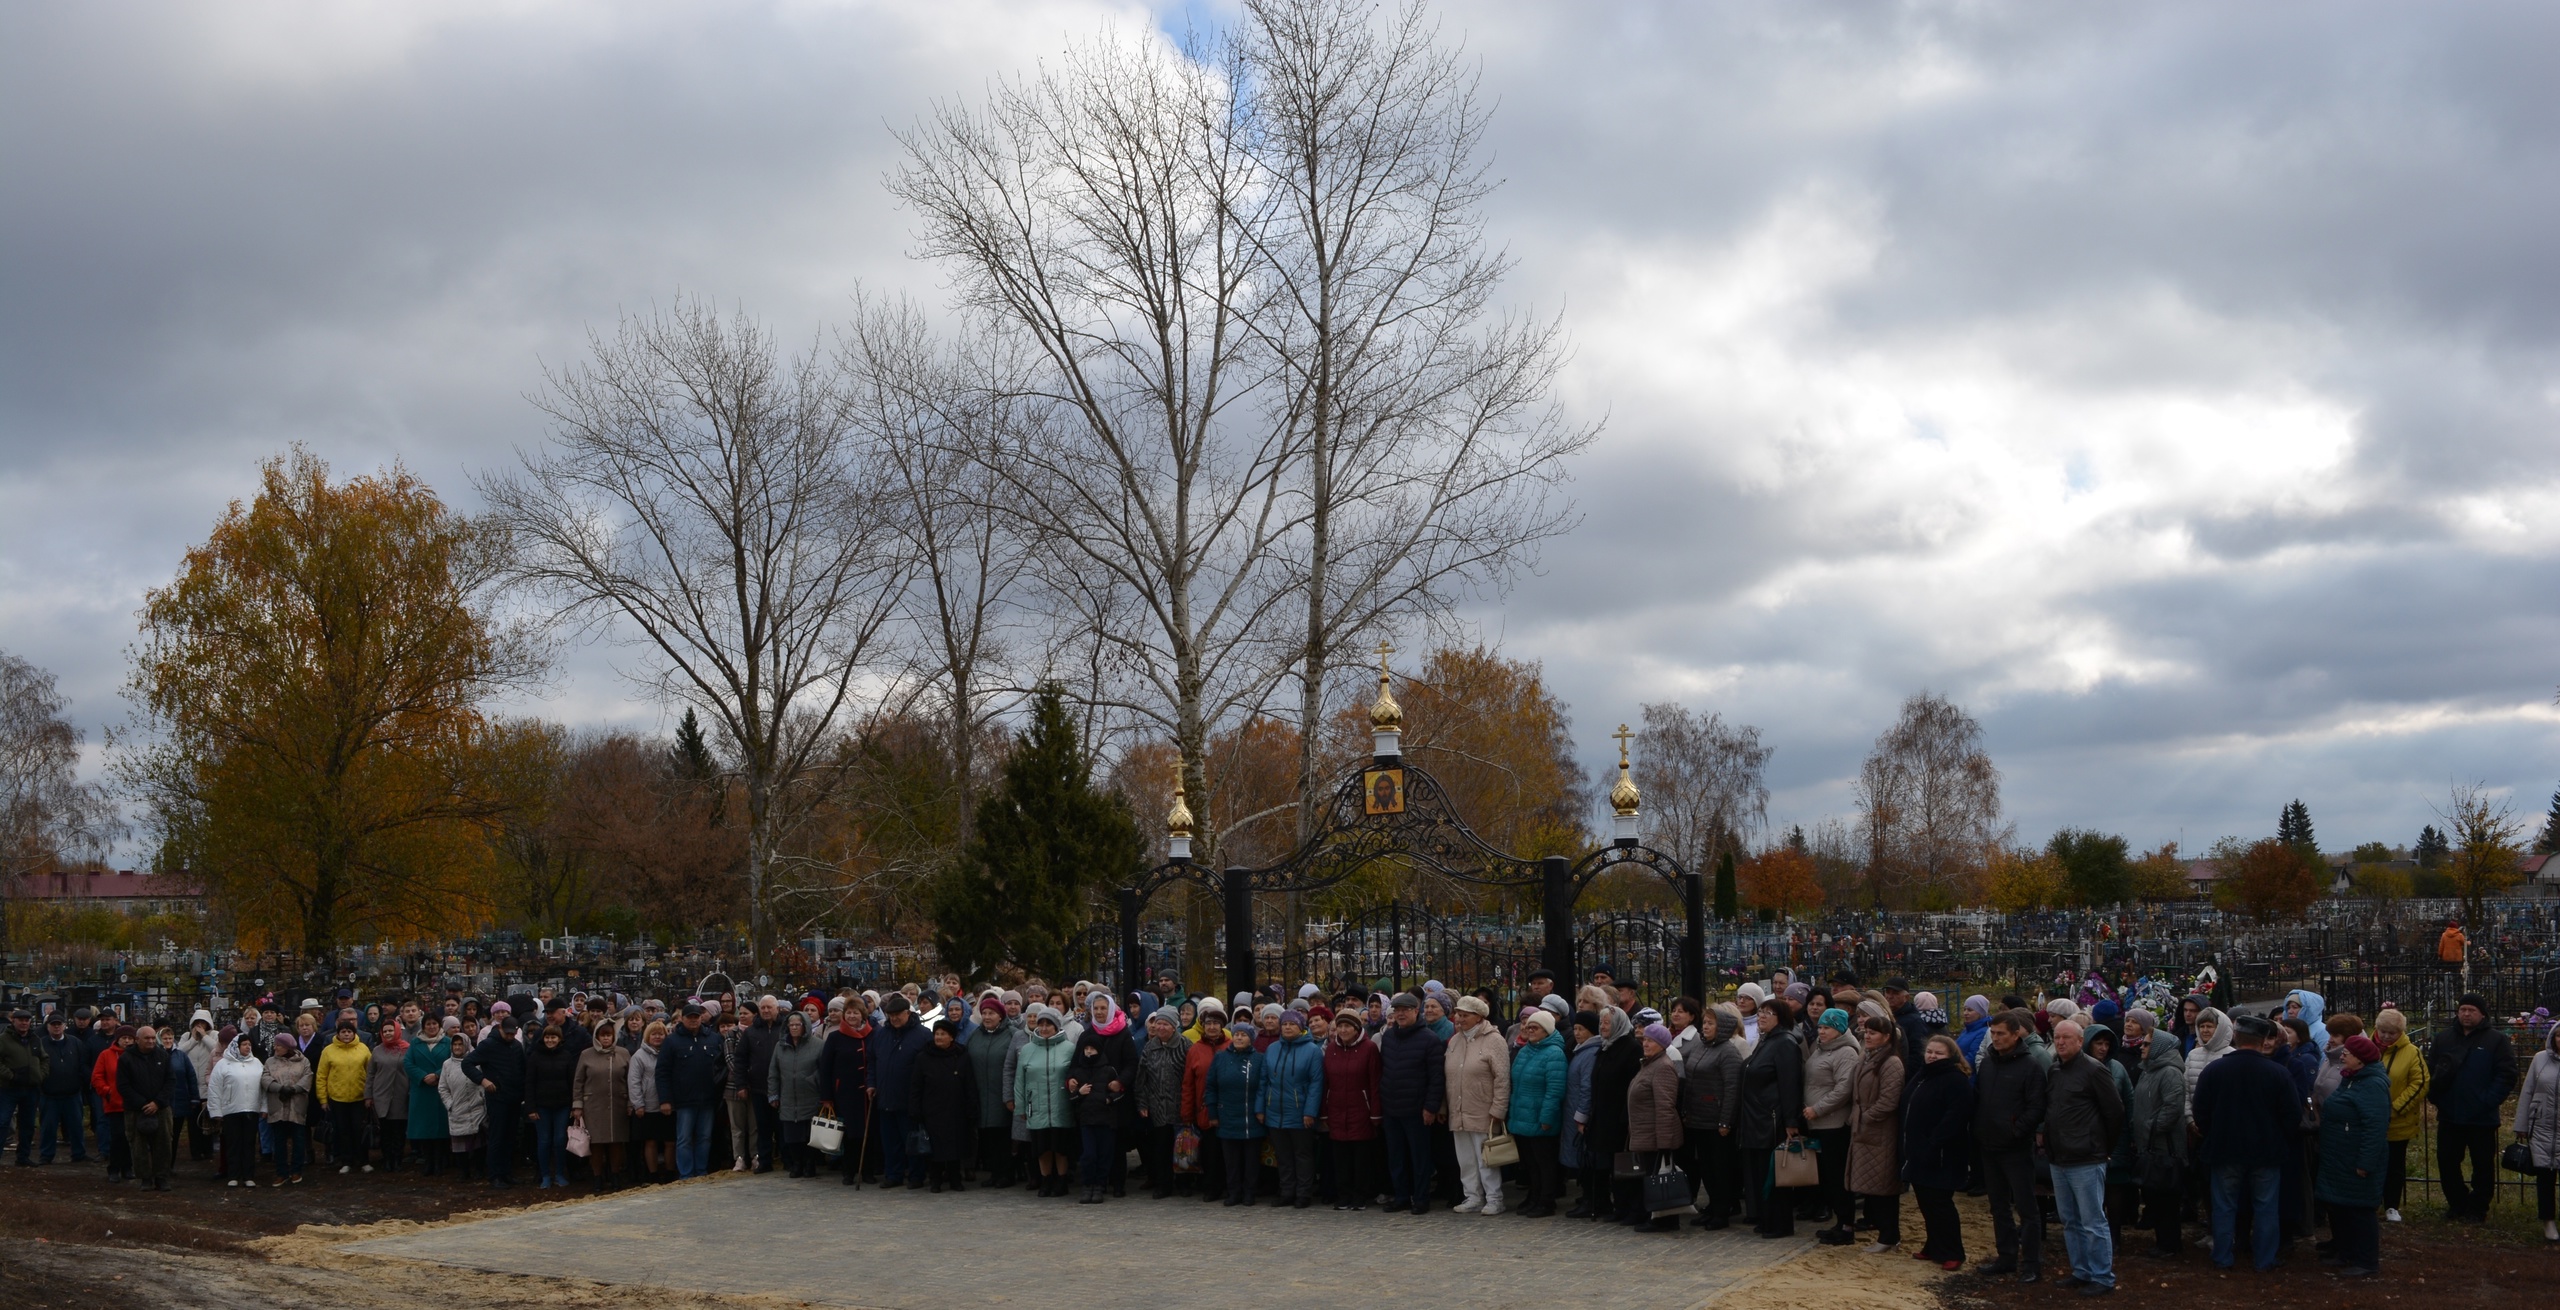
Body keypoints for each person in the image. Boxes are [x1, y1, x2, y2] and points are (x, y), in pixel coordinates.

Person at [2191, 1014, 2296, 1271]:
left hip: (2224, 1148)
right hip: (2266, 1151)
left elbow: (2200, 1111)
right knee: (2265, 1207)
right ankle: (2265, 1259)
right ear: (2263, 1041)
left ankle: (2223, 1256)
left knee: (2224, 1206)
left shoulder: (2214, 1070)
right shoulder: (2278, 1073)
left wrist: (2213, 1133)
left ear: (2236, 1037)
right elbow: (2292, 1115)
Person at [2044, 1020, 2124, 1296]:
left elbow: (2114, 1112)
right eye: (2057, 1037)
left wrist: (2102, 1147)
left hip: (2087, 1158)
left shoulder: (2094, 1070)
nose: (2061, 1042)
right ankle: (2081, 1270)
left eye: (2067, 1037)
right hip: (2059, 1157)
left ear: (2080, 1041)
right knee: (2070, 1220)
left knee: (2092, 1220)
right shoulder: (2054, 1070)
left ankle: (2102, 1276)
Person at [2427, 992, 2516, 1223]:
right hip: (2450, 1114)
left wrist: (2487, 1100)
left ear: (2482, 1014)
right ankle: (2457, 1203)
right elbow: (2431, 1069)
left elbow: (2506, 1074)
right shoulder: (2444, 1038)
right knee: (2447, 1162)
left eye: (2472, 1010)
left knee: (2482, 1165)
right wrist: (2437, 1097)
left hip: (2481, 1117)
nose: (2466, 1014)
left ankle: (2478, 1208)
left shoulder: (2496, 1040)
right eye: (2463, 1009)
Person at [1973, 1010, 2048, 1281]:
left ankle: (2031, 1263)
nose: (1996, 1039)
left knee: (2027, 1208)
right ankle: (2006, 1257)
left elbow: (2037, 1107)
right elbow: (1981, 1098)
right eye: (1992, 1034)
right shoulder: (1990, 1063)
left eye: (2001, 1034)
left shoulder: (2030, 1067)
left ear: (2016, 1034)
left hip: (2015, 1148)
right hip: (1989, 1144)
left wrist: (2016, 1131)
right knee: (1998, 1206)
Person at [2318, 1034, 2389, 1276]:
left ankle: (2366, 1261)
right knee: (2341, 1206)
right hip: (2340, 1156)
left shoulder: (2372, 1085)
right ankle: (2345, 1251)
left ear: (2360, 1059)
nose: (2343, 1055)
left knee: (2360, 1209)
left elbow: (2375, 1127)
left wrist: (2365, 1162)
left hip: (2355, 1159)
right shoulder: (2351, 1079)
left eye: (2348, 1052)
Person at [1903, 1033, 1973, 1269]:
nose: (1932, 1056)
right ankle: (1933, 1246)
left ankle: (1953, 1251)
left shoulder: (1955, 1079)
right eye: (1929, 1051)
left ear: (1950, 1056)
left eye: (1938, 1053)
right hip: (1918, 1149)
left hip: (1943, 1153)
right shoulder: (1923, 1074)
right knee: (1926, 1202)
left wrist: (1934, 1143)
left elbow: (1955, 1117)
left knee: (1940, 1203)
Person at [2122, 1010, 2186, 1258]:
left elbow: (2172, 1109)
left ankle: (2170, 1245)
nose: (2142, 1048)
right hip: (2150, 1146)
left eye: (2147, 1044)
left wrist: (2149, 1128)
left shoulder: (2169, 1072)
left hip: (2164, 1148)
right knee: (2156, 1199)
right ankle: (2162, 1242)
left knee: (2167, 1201)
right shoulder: (2150, 1070)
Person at [1738, 998, 1804, 1238]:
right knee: (1760, 1173)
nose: (1761, 1016)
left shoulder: (1785, 1043)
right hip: (1755, 1117)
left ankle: (1780, 1223)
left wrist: (1791, 1121)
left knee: (1776, 1174)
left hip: (1772, 1119)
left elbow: (1790, 1085)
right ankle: (1766, 1218)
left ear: (1781, 1017)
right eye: (1761, 1012)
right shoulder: (1766, 1041)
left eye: (1768, 1013)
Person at [1377, 992, 1446, 1215]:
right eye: (1397, 1011)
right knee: (1396, 1156)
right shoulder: (1388, 1037)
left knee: (1420, 1158)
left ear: (1416, 1011)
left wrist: (1430, 1107)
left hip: (1417, 1109)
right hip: (1392, 1107)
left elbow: (1436, 1078)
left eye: (1405, 1010)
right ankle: (1401, 1196)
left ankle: (1421, 1198)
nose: (1400, 1015)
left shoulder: (1429, 1039)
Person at [1442, 994, 1511, 1216]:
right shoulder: (1455, 1041)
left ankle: (1494, 1198)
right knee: (1466, 1159)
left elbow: (1502, 1078)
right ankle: (1472, 1196)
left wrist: (1498, 1109)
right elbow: (1448, 1076)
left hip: (1484, 1110)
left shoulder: (1494, 1040)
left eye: (1464, 1015)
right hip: (1458, 1109)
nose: (1459, 1019)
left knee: (1486, 1158)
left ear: (1479, 1017)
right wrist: (1445, 1106)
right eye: (1458, 1014)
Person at [1676, 1004, 1744, 1229]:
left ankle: (1722, 1212)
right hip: (1698, 1119)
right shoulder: (1700, 1047)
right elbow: (1690, 1081)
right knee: (1706, 1167)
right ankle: (1712, 1207)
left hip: (1717, 1122)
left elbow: (1732, 1089)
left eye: (1710, 1023)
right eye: (1704, 1022)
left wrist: (1726, 1121)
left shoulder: (1728, 1052)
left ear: (1722, 1027)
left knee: (1720, 1168)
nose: (1705, 1027)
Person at [1847, 1014, 1906, 1253]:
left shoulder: (1891, 1062)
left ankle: (1889, 1235)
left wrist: (1866, 1118)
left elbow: (1888, 1101)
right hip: (1864, 1129)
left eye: (1873, 1033)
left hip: (1880, 1132)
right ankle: (1885, 1234)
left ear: (1887, 1037)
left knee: (1883, 1187)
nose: (1867, 1036)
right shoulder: (1867, 1057)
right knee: (1873, 1186)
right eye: (1866, 1032)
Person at [1257, 1007, 1326, 1208]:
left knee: (1302, 1155)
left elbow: (1316, 1084)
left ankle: (1303, 1193)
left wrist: (1310, 1111)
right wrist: (1261, 1108)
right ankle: (1287, 1191)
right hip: (1275, 1111)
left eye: (1292, 1024)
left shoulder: (1312, 1050)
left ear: (1300, 1027)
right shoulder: (1272, 1049)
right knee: (1283, 1155)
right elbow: (1263, 1081)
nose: (1287, 1027)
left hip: (1300, 1111)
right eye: (1285, 1024)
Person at [1803, 1007, 1859, 1241]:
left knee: (1837, 1177)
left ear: (1838, 1029)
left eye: (1827, 1028)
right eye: (1821, 1027)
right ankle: (1839, 1222)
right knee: (1828, 1177)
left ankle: (1846, 1225)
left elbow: (1843, 1090)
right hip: (1818, 1123)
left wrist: (1818, 1109)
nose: (1822, 1031)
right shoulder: (1820, 1048)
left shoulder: (1846, 1053)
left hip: (1833, 1124)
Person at [867, 994, 932, 1189]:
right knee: (890, 1141)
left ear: (907, 1013)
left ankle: (916, 1175)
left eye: (898, 1014)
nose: (894, 1018)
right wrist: (871, 1083)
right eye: (890, 1015)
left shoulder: (922, 1035)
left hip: (910, 1099)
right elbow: (872, 1061)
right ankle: (893, 1174)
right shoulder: (880, 1034)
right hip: (885, 1097)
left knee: (911, 1140)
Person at [1506, 1008, 1566, 1217]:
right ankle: (1534, 1196)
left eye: (1535, 1027)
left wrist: (1547, 1118)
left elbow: (1555, 1090)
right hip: (1522, 1116)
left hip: (1540, 1118)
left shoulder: (1554, 1053)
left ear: (1546, 1030)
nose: (1529, 1030)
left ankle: (1546, 1200)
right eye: (1528, 1026)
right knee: (1530, 1163)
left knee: (1545, 1163)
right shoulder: (1525, 1050)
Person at [1625, 1021, 1684, 1232]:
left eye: (1650, 1040)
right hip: (1645, 1133)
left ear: (1662, 1044)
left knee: (1659, 1178)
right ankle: (1653, 1215)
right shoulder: (1649, 1063)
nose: (1645, 1043)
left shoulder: (1663, 1067)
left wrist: (1665, 1143)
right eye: (1644, 1039)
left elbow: (1665, 1107)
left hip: (1656, 1136)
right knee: (1650, 1178)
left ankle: (1664, 1220)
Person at [2370, 1008, 2427, 1223]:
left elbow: (2420, 1082)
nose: (2385, 1036)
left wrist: (2395, 1108)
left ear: (2400, 1032)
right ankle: (2370, 1202)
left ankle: (2391, 1205)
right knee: (2369, 1162)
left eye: (2391, 1033)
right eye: (2382, 1031)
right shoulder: (2367, 1048)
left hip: (2397, 1121)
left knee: (2394, 1165)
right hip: (2370, 1118)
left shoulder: (2411, 1052)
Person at [1013, 1006, 1077, 1196]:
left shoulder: (1069, 1049)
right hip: (1037, 1106)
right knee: (1042, 1149)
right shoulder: (1027, 1050)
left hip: (1061, 1106)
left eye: (1048, 1024)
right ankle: (1046, 1180)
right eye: (1041, 1024)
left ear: (1056, 1026)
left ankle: (1061, 1181)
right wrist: (1021, 1105)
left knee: (1060, 1148)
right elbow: (1019, 1080)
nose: (1044, 1028)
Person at [908, 1019, 979, 1192]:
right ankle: (935, 1180)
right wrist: (915, 1109)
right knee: (935, 1147)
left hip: (957, 1108)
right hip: (932, 1109)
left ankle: (955, 1178)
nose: (939, 1037)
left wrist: (972, 1107)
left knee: (956, 1146)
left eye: (943, 1034)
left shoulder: (962, 1056)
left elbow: (969, 1083)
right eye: (936, 1034)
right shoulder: (923, 1057)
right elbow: (916, 1086)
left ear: (952, 1037)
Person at [461, 1016, 529, 1188]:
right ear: (499, 1029)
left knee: (510, 1137)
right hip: (497, 1098)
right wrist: (482, 1080)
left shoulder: (516, 1046)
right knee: (497, 1137)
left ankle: (506, 1172)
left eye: (513, 1034)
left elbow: (521, 1070)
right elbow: (467, 1063)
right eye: (507, 1033)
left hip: (514, 1097)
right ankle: (495, 1174)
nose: (510, 1036)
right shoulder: (488, 1045)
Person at [1204, 1021, 1264, 1206]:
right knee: (1231, 1161)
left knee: (1251, 1161)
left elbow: (1263, 1086)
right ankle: (1234, 1192)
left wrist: (1260, 1110)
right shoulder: (1220, 1058)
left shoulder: (1259, 1059)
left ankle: (1249, 1193)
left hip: (1251, 1118)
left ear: (1251, 1039)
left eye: (1244, 1035)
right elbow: (1211, 1087)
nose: (1239, 1037)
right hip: (1227, 1116)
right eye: (1236, 1034)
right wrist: (1213, 1113)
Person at [1133, 1006, 1189, 1199]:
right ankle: (1163, 1184)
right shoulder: (1150, 1047)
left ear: (1174, 1027)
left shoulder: (1185, 1046)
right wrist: (1142, 1104)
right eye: (1159, 1023)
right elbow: (1141, 1079)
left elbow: (1190, 1078)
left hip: (1180, 1107)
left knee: (1181, 1148)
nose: (1161, 1027)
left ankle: (1184, 1184)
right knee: (1161, 1149)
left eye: (1166, 1024)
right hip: (1157, 1108)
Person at [969, 996, 1023, 1188]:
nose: (987, 1016)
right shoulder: (976, 1035)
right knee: (987, 1137)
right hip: (981, 1094)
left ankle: (1006, 1174)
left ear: (1001, 1016)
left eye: (991, 1013)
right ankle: (994, 1173)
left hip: (1002, 1095)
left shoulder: (1012, 1035)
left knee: (1003, 1137)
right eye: (983, 1013)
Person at [2513, 1022, 2560, 1244]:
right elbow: (2528, 1090)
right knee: (2545, 1178)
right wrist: (2521, 1124)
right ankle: (2548, 1221)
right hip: (2542, 1128)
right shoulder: (2540, 1059)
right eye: (2559, 1036)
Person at [574, 1020, 633, 1190]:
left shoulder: (623, 1053)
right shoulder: (586, 1054)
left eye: (609, 1035)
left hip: (618, 1105)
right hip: (593, 1106)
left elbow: (630, 1080)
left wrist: (630, 1102)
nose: (606, 1039)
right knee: (596, 1144)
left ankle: (615, 1176)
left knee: (616, 1143)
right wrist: (577, 1105)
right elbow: (578, 1081)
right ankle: (597, 1177)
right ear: (597, 1037)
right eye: (603, 1035)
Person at [116, 1025, 177, 1191]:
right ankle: (145, 1179)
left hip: (161, 1108)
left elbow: (170, 1081)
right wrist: (142, 1104)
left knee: (163, 1144)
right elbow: (123, 1086)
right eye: (146, 1038)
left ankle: (161, 1177)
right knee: (138, 1146)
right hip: (136, 1110)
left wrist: (157, 1103)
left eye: (152, 1038)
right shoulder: (126, 1059)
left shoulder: (163, 1055)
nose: (151, 1041)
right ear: (137, 1040)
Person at [523, 1022, 578, 1189]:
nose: (550, 1040)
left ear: (559, 1039)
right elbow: (529, 1083)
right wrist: (531, 1108)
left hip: (562, 1105)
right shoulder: (535, 1056)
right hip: (541, 1106)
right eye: (547, 1037)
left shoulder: (567, 1056)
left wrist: (574, 1105)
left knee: (560, 1139)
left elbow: (572, 1082)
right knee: (544, 1141)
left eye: (553, 1037)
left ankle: (560, 1173)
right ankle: (545, 1175)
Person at [208, 1032, 265, 1187]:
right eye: (244, 1044)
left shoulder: (257, 1063)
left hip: (251, 1109)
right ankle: (233, 1175)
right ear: (236, 1046)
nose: (248, 1047)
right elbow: (214, 1089)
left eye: (249, 1044)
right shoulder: (223, 1064)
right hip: (231, 1110)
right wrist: (216, 1111)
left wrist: (264, 1107)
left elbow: (263, 1087)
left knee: (249, 1143)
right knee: (233, 1143)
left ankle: (248, 1176)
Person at [260, 1032, 313, 1184]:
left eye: (279, 1045)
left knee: (298, 1139)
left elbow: (308, 1077)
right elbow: (265, 1078)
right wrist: (279, 1088)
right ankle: (281, 1172)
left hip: (297, 1105)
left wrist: (294, 1089)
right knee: (279, 1140)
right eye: (275, 1045)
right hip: (278, 1105)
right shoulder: (270, 1061)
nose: (275, 1047)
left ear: (287, 1047)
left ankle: (297, 1170)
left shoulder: (303, 1061)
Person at [34, 1013, 87, 1164]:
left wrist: (80, 1083)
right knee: (48, 1127)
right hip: (49, 1094)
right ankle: (46, 1155)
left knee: (76, 1126)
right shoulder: (40, 1043)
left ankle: (79, 1153)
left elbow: (82, 1064)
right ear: (48, 1026)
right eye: (53, 1024)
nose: (56, 1027)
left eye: (59, 1024)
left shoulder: (75, 1043)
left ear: (65, 1025)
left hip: (72, 1093)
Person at [405, 1016, 452, 1177]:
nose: (431, 1027)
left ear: (439, 1026)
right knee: (424, 1129)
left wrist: (437, 1075)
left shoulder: (448, 1042)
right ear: (423, 1026)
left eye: (434, 1024)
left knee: (440, 1129)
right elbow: (408, 1063)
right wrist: (423, 1076)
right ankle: (428, 1161)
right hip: (422, 1090)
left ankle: (440, 1162)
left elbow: (451, 1061)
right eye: (428, 1024)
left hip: (440, 1089)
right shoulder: (415, 1043)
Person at [438, 1031, 486, 1174]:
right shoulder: (447, 1064)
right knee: (460, 1143)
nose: (458, 1047)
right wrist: (449, 1104)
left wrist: (480, 1098)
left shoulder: (476, 1062)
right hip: (457, 1108)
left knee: (478, 1142)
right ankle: (464, 1172)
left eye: (460, 1044)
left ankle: (479, 1170)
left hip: (476, 1107)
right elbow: (443, 1087)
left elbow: (483, 1082)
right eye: (455, 1044)